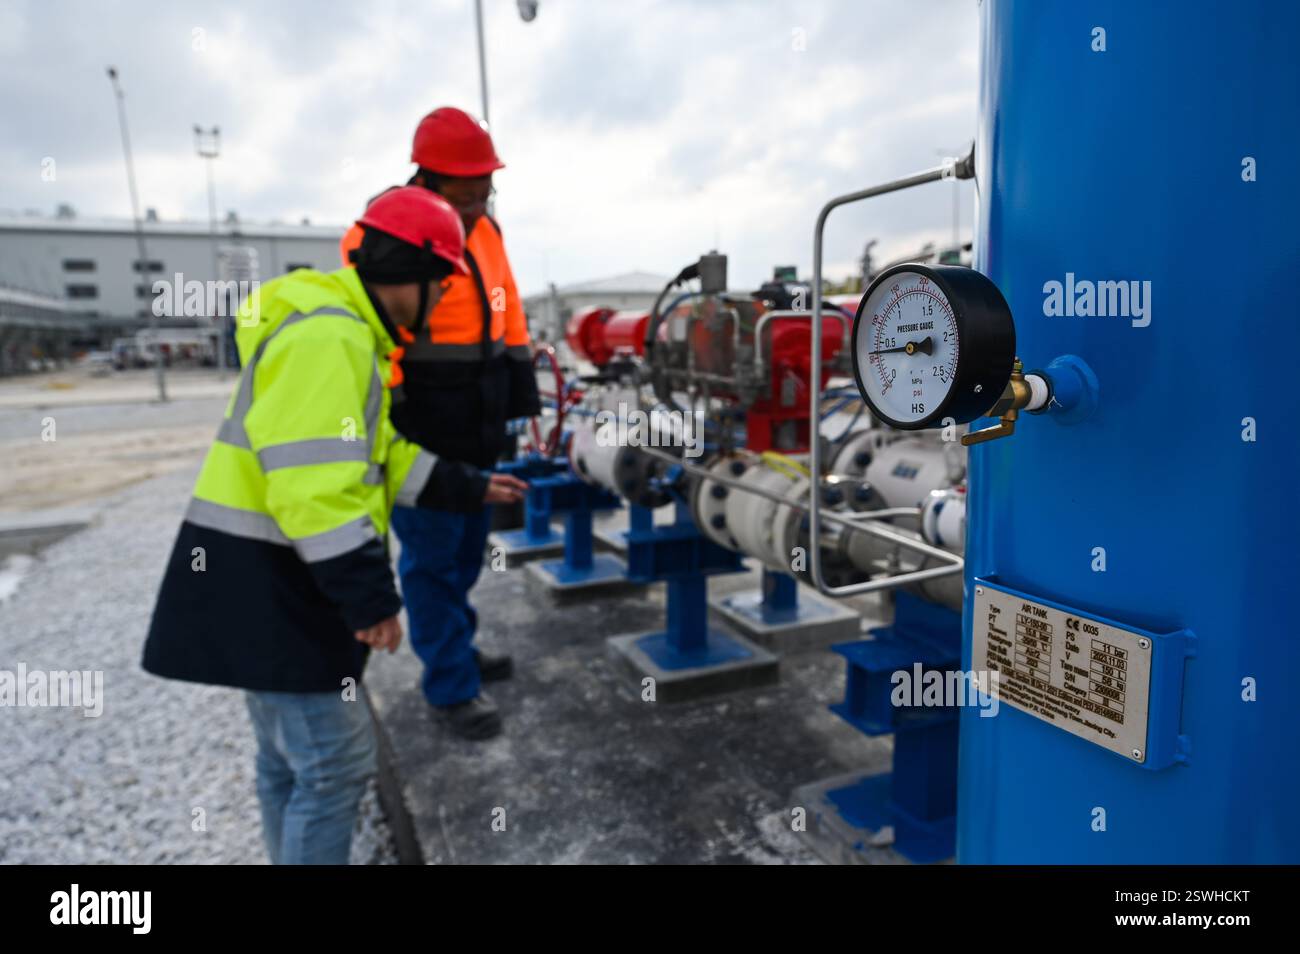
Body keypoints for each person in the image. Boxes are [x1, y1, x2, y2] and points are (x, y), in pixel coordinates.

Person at [142, 187, 527, 864]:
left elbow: (375, 455)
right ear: (411, 276)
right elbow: (314, 488)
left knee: (287, 763)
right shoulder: (331, 337)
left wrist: (465, 484)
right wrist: (370, 599)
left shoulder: (342, 329)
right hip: (281, 583)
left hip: (258, 571)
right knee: (335, 766)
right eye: (441, 283)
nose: (441, 301)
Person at [340, 108, 540, 741]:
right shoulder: (382, 232)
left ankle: (459, 646)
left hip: (479, 411)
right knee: (429, 557)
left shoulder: (487, 229)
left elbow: (506, 306)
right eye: (470, 187)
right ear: (430, 177)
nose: (481, 199)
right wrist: (393, 407)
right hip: (422, 414)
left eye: (487, 186)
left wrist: (519, 387)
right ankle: (451, 687)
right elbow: (372, 323)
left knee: (464, 552)